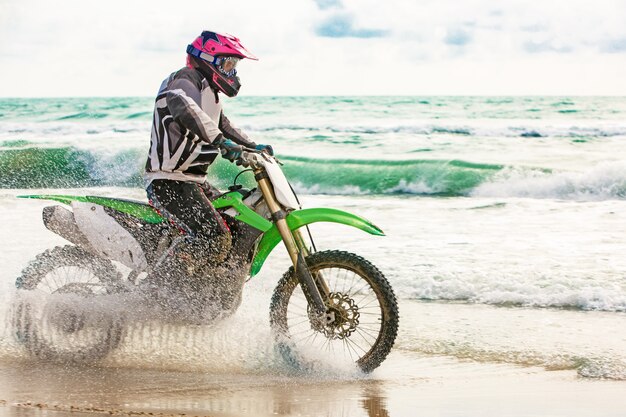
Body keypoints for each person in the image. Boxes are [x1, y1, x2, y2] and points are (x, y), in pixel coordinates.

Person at [143, 30, 273, 276]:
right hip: (168, 183)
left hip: (195, 182)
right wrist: (222, 143)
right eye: (228, 63)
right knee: (214, 237)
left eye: (234, 65)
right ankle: (156, 293)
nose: (232, 72)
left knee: (234, 227)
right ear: (208, 59)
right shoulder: (184, 79)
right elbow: (184, 107)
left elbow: (224, 125)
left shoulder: (209, 93)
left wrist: (254, 147)